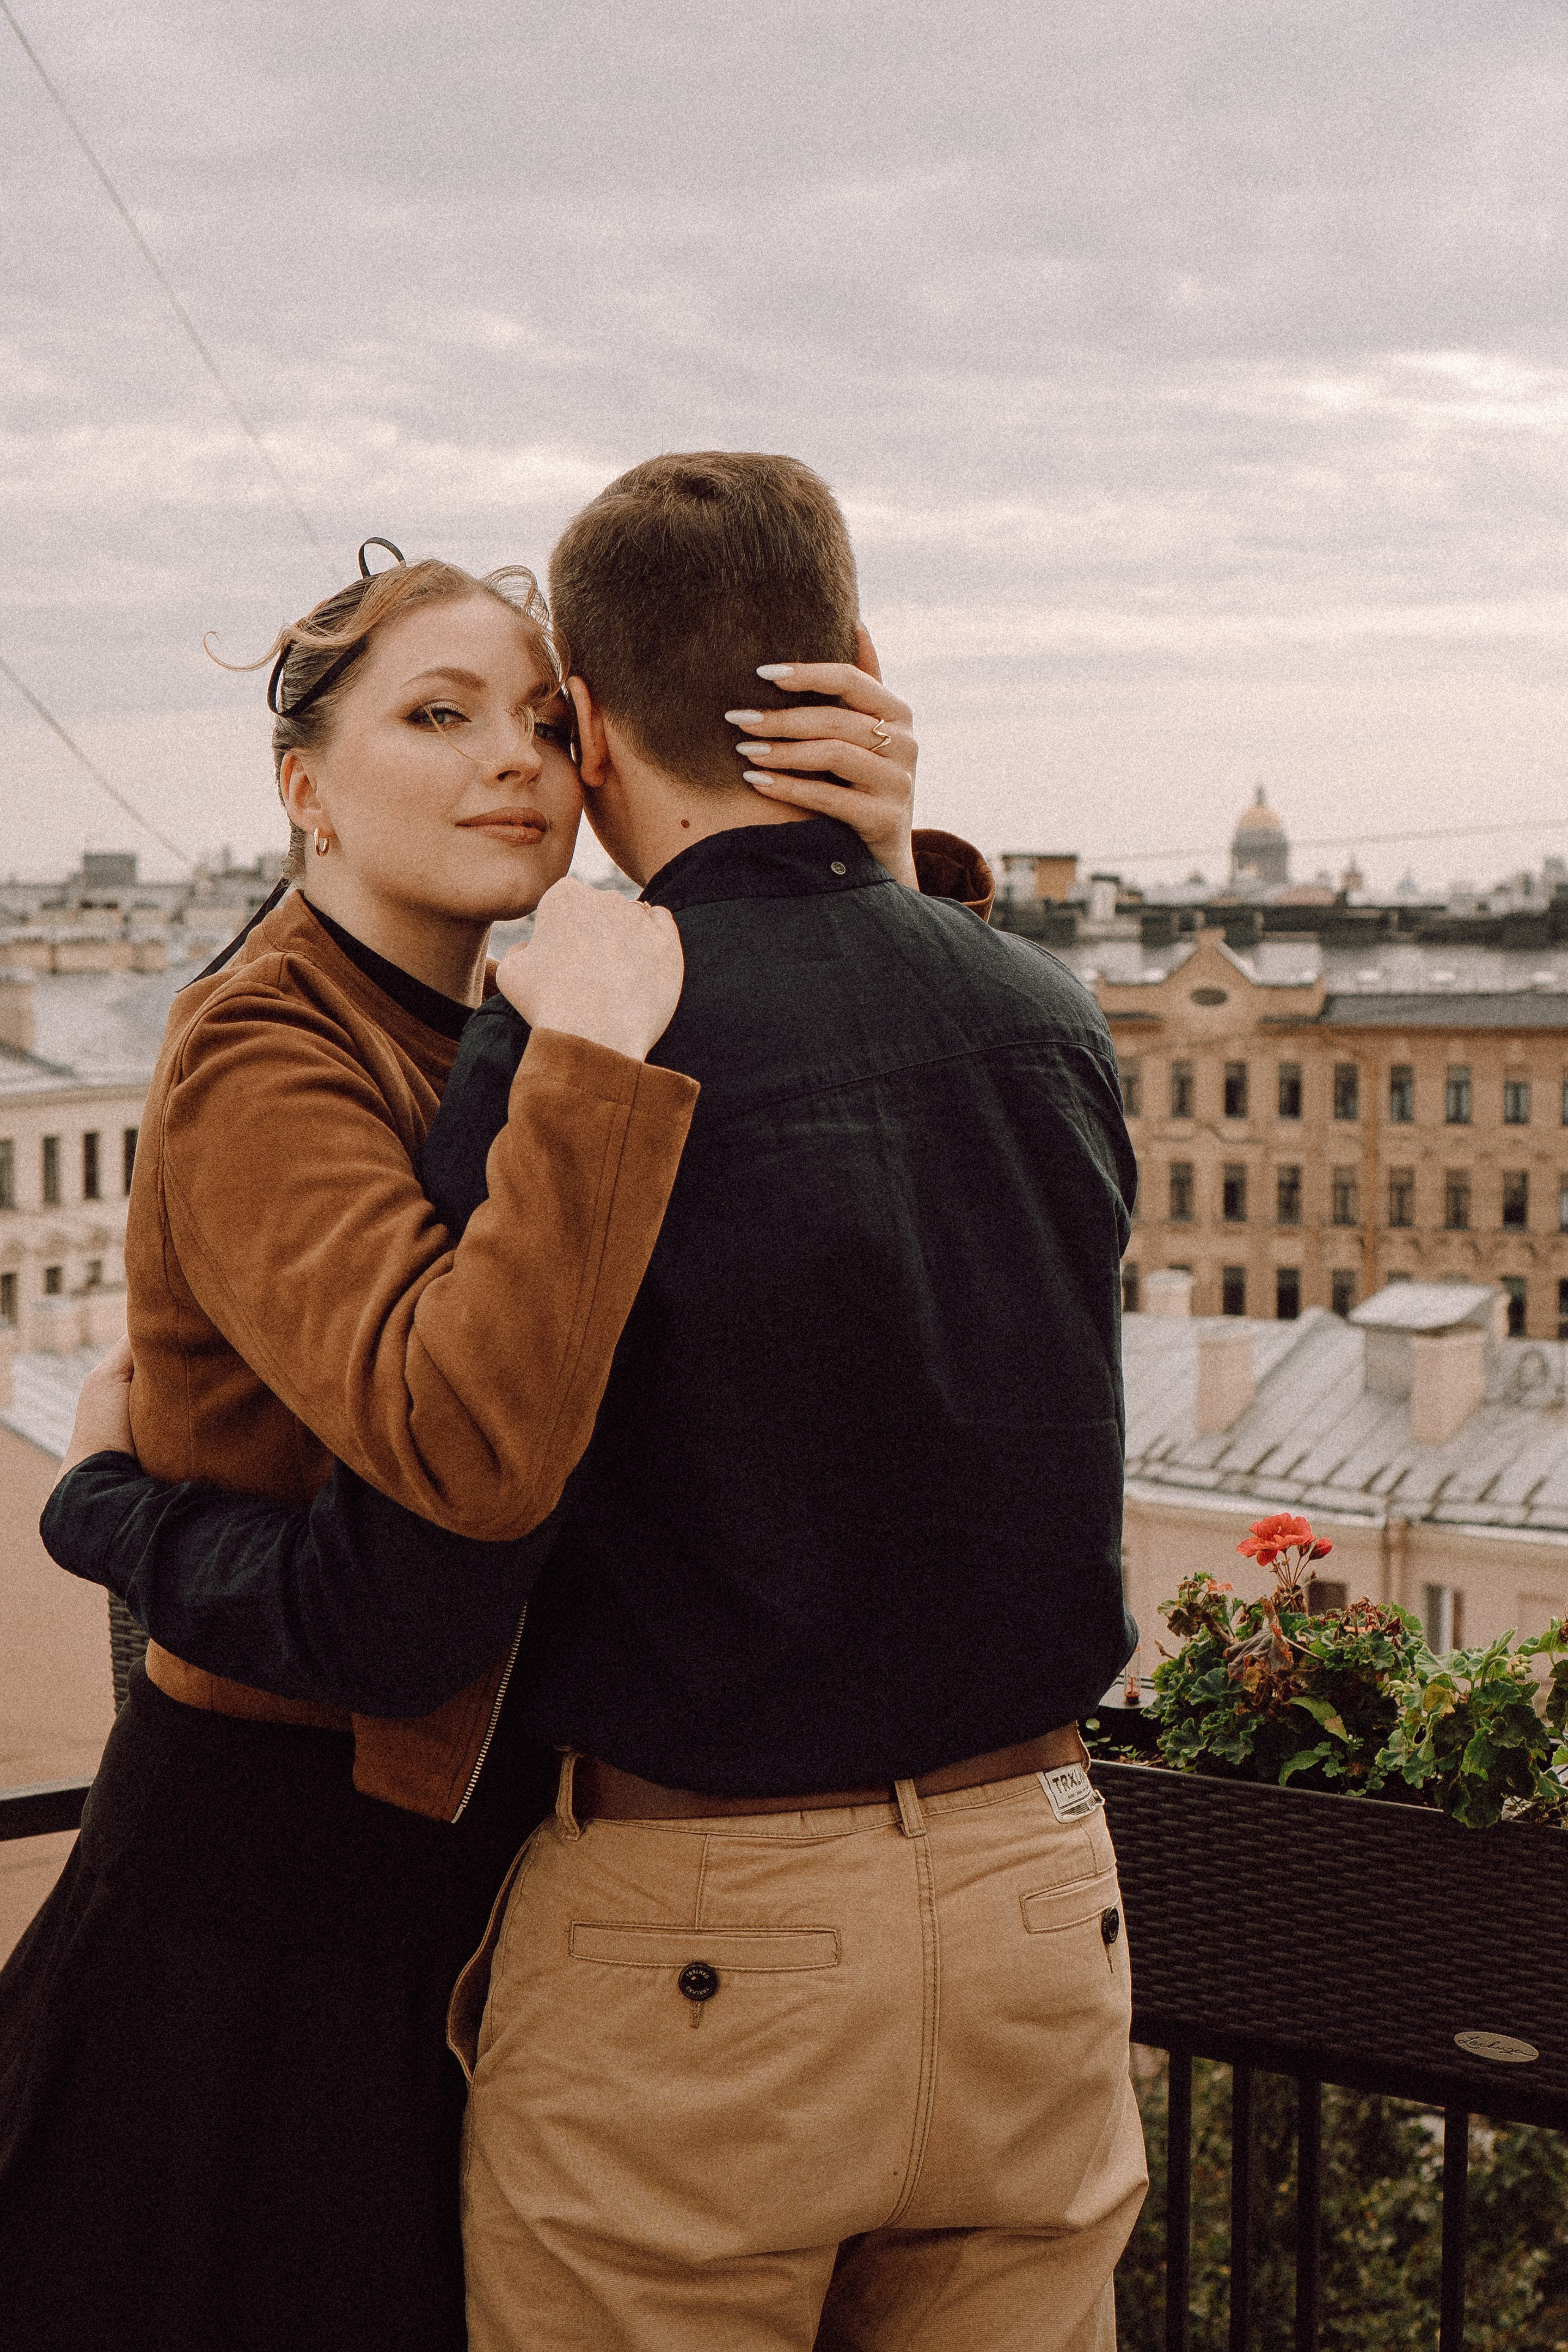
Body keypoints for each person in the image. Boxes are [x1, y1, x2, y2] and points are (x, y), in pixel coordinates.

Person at [47, 454, 1144, 2351]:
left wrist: (861, 886)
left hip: (539, 1899)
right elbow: (448, 1505)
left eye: (542, 720)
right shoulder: (289, 1042)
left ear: (607, 751)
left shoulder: (547, 1029)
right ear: (303, 786)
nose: (510, 765)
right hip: (276, 1897)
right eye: (437, 715)